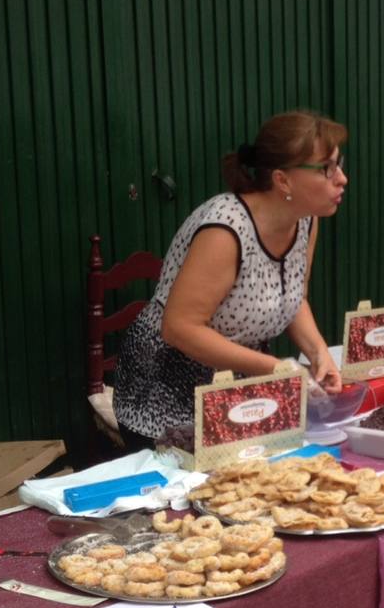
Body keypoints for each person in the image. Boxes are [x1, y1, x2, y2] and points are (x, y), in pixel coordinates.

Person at [114, 110, 347, 449]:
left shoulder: (306, 219)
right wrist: (274, 368)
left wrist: (319, 354)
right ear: (283, 180)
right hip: (166, 391)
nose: (341, 178)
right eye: (326, 168)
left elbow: (292, 297)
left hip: (234, 385)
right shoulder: (225, 229)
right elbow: (179, 327)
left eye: (339, 164)